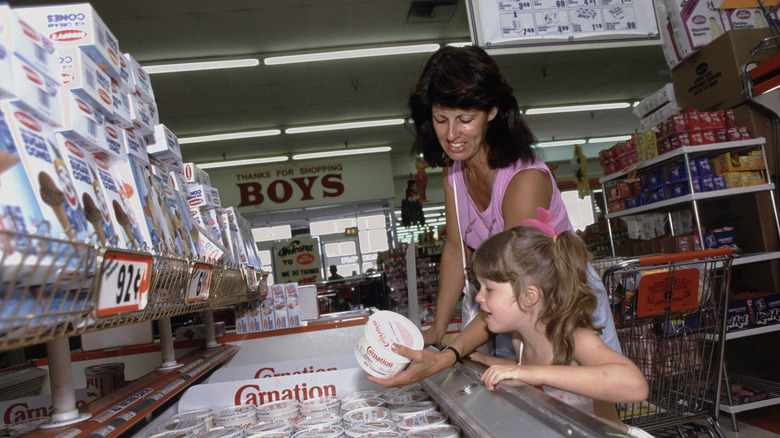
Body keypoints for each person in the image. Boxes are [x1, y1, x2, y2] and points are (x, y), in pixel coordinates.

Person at [367, 45, 621, 399]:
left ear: (492, 111)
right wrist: (438, 331)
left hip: (564, 310)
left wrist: (450, 354)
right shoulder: (453, 172)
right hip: (509, 312)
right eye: (441, 120)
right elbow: (456, 250)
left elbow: (514, 281)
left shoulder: (524, 181)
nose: (452, 134)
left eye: (465, 118)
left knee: (582, 413)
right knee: (520, 407)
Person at [471, 224, 651, 438]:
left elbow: (634, 385)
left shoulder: (573, 339)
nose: (478, 297)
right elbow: (527, 371)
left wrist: (528, 373)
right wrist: (484, 360)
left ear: (529, 296)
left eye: (488, 288)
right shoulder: (519, 341)